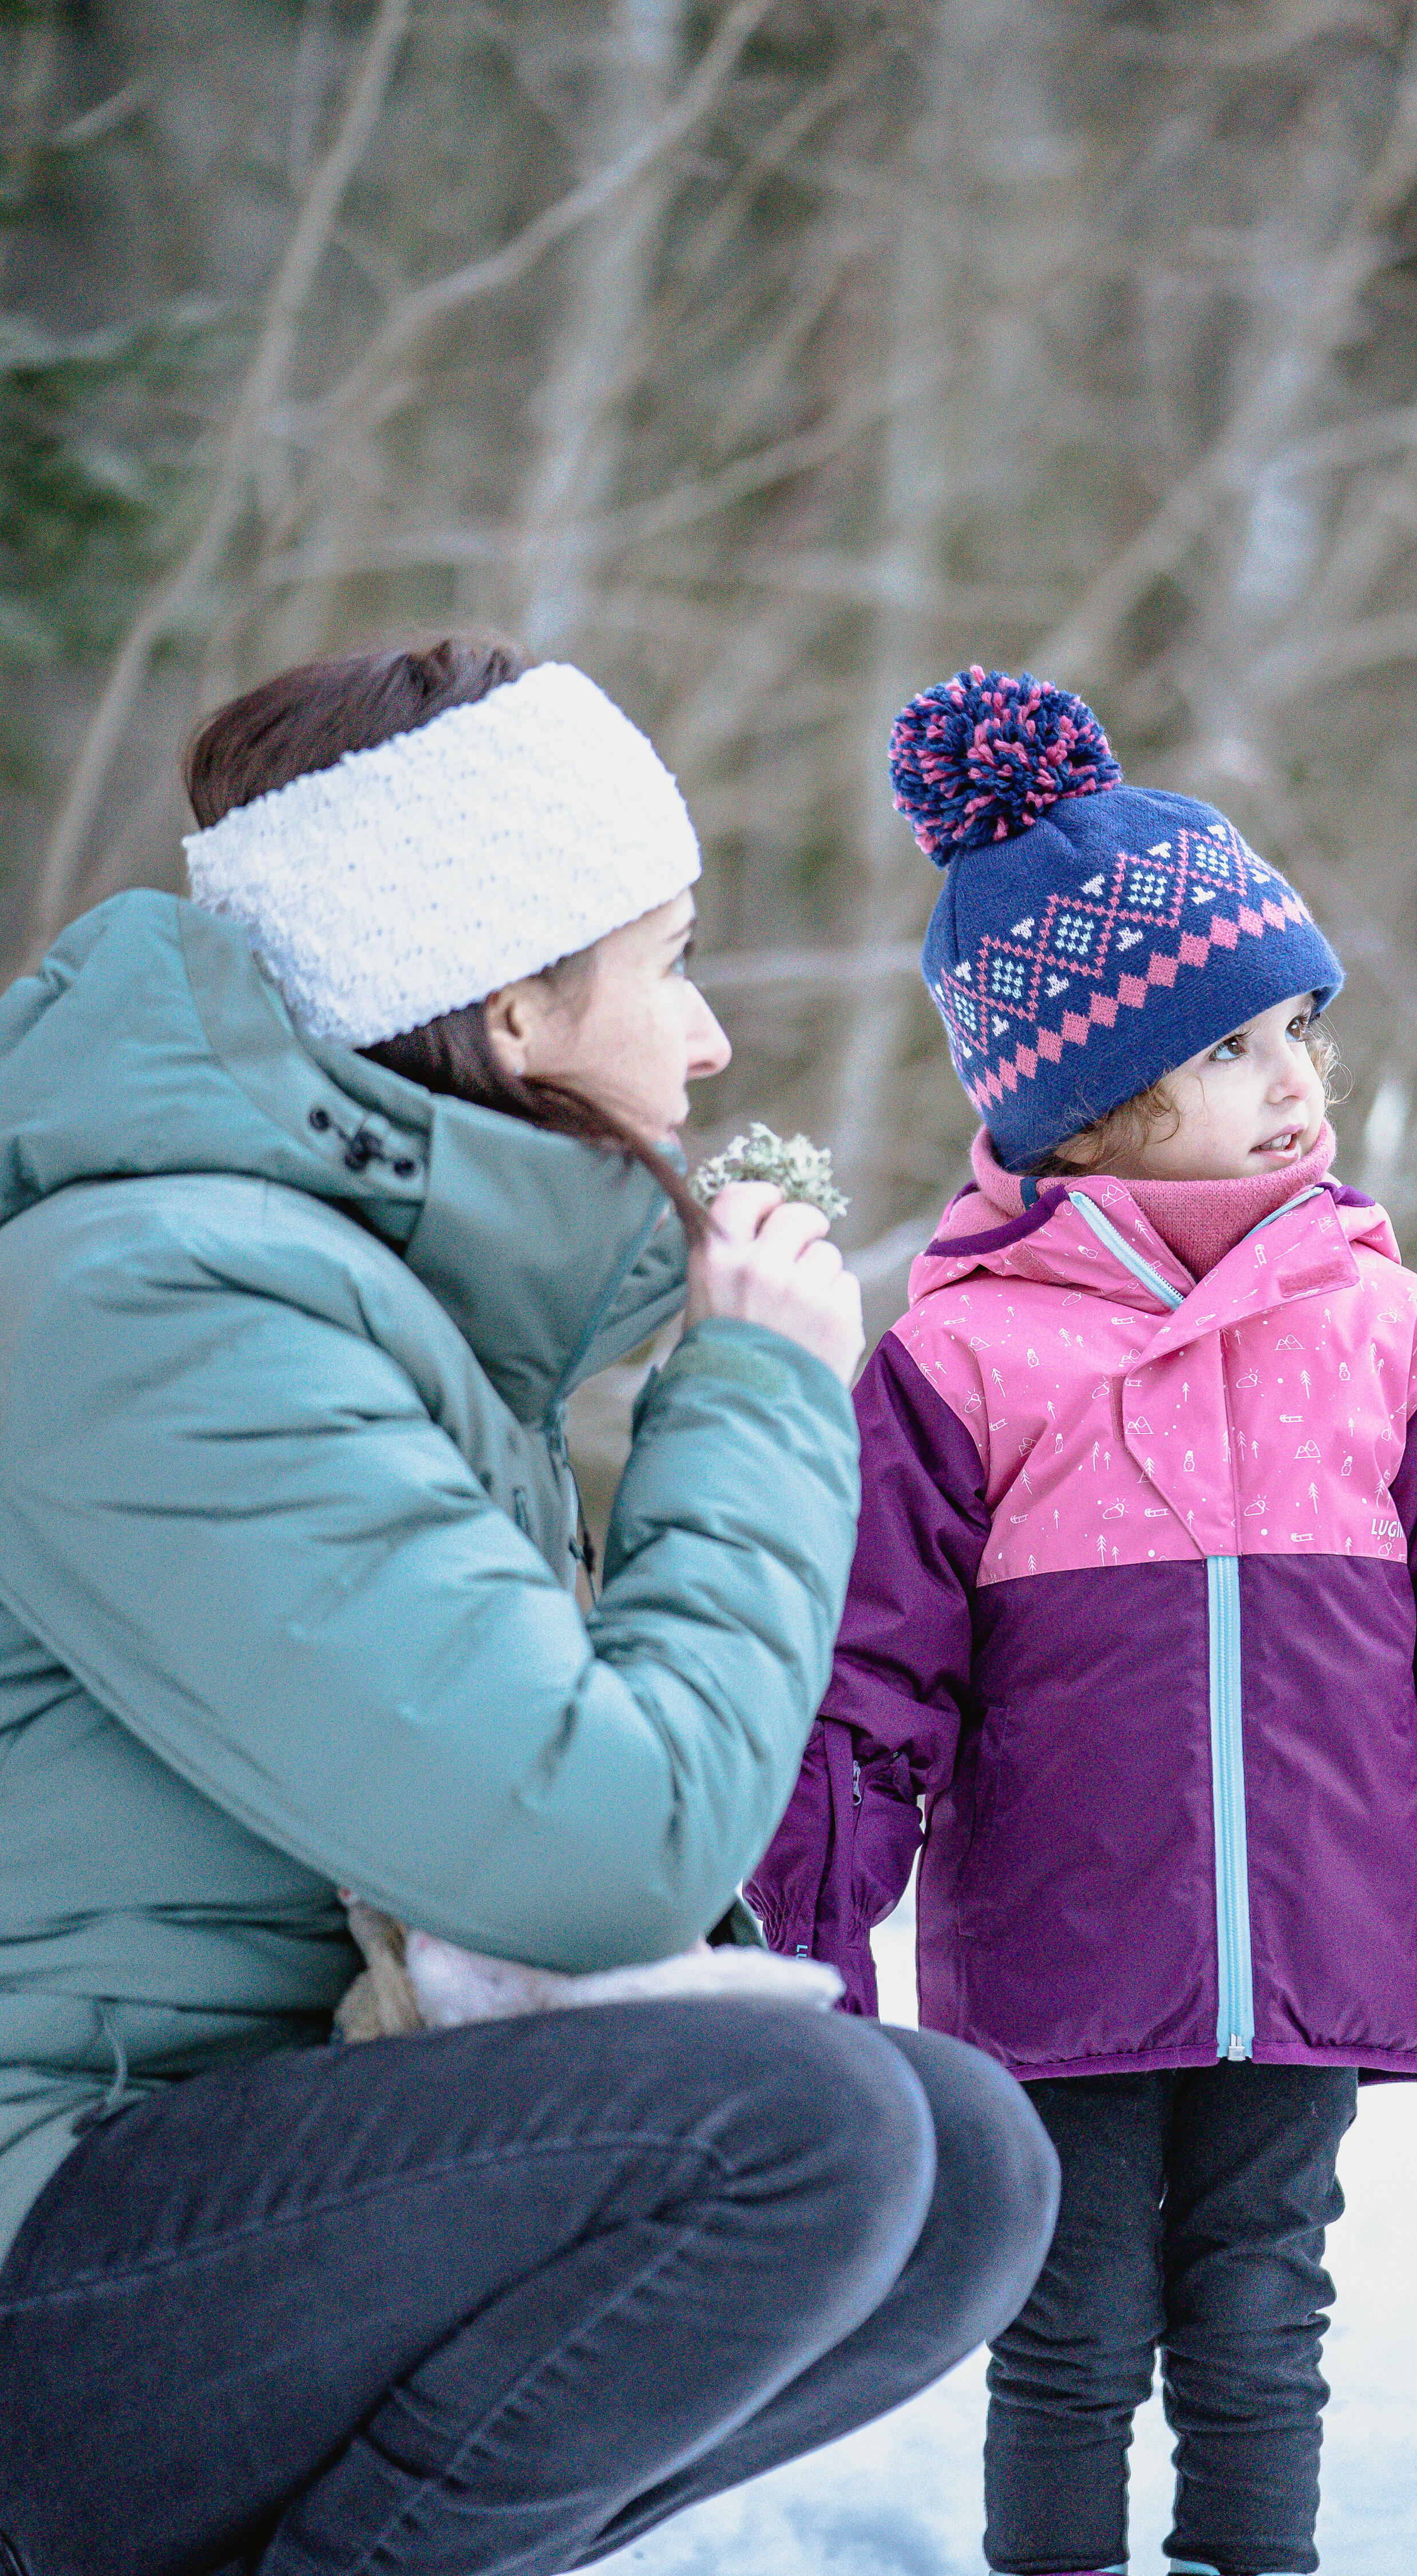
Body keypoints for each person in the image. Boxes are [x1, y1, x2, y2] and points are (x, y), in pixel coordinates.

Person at [0, 641, 1060, 2576]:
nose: (710, 1035)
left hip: (221, 2176)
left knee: (964, 2161)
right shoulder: (156, 1296)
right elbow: (603, 1849)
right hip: (47, 2229)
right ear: (512, 1008)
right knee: (801, 2133)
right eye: (666, 958)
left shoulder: (332, 1293)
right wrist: (752, 1401)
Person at [746, 665, 1417, 2576]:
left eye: (1303, 1027)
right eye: (1239, 1047)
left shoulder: (1401, 1339)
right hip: (1064, 1957)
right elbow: (864, 1683)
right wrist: (814, 1940)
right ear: (1091, 1090)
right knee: (1063, 2333)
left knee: (1262, 2320)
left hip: (1312, 1932)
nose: (1301, 1079)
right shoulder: (964, 1360)